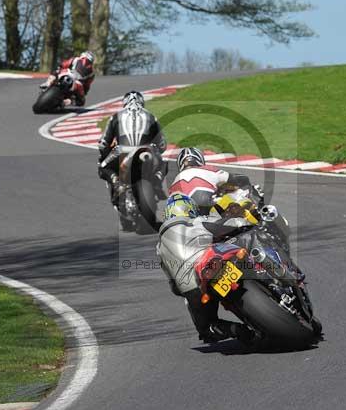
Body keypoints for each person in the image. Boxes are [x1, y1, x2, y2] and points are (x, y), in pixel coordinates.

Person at [157, 193, 257, 344]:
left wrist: (186, 291)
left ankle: (239, 330)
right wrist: (247, 223)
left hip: (192, 288)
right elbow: (230, 225)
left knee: (206, 329)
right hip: (215, 263)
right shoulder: (197, 221)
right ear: (190, 210)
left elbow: (174, 286)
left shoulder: (159, 248)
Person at [97, 91, 168, 204]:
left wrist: (104, 155)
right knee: (163, 164)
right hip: (147, 151)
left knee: (102, 167)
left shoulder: (115, 117)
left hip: (121, 152)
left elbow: (103, 143)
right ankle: (156, 182)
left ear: (124, 103)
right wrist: (156, 151)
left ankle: (116, 183)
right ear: (142, 102)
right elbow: (162, 144)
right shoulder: (151, 116)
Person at [169, 147, 261, 214]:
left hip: (184, 216)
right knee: (249, 190)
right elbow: (238, 179)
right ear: (200, 160)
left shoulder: (173, 183)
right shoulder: (208, 169)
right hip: (209, 206)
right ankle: (258, 216)